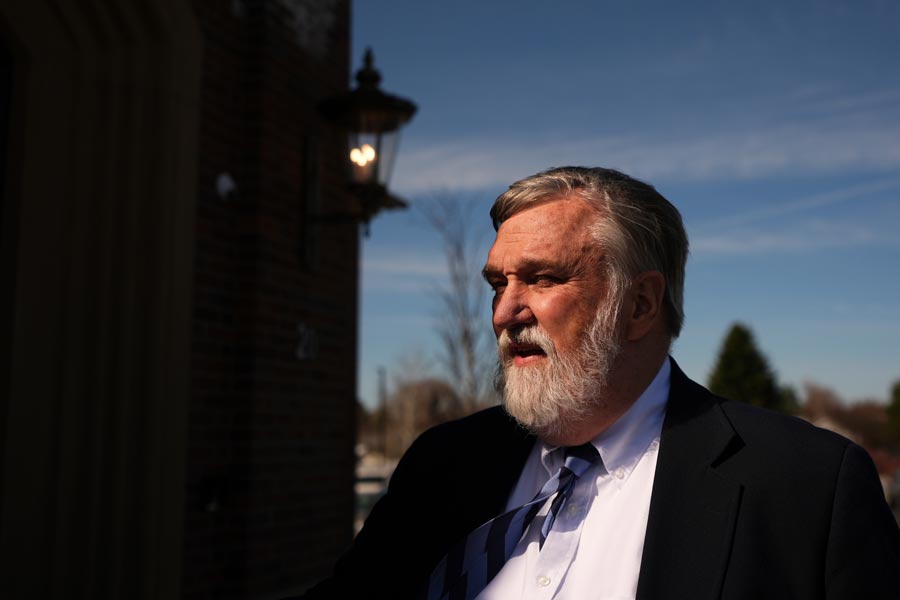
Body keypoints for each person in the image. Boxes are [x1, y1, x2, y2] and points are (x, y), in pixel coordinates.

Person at [301, 167, 900, 599]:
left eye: (542, 279)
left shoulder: (808, 484)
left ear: (639, 304)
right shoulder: (445, 463)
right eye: (497, 284)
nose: (505, 312)